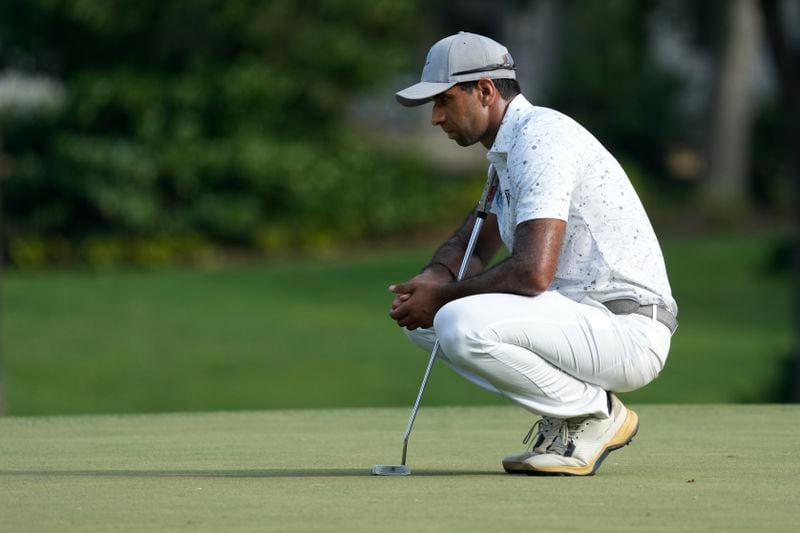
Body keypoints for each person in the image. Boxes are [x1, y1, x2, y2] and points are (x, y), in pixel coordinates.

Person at [389, 32, 678, 476]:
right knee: (423, 324)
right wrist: (432, 279)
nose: (435, 117)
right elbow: (473, 243)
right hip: (581, 322)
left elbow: (532, 273)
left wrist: (443, 299)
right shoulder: (510, 149)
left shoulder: (541, 140)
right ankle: (573, 418)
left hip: (627, 328)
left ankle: (595, 416)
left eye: (444, 101)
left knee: (455, 320)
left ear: (485, 90)